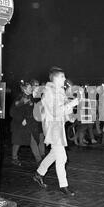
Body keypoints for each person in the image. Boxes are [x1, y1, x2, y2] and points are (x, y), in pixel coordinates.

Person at [32, 67, 79, 196]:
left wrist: (70, 113)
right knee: (62, 157)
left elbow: (63, 111)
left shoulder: (60, 91)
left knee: (54, 153)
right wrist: (71, 105)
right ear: (56, 78)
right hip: (52, 127)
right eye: (62, 77)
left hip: (58, 126)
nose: (65, 79)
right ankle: (63, 186)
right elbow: (55, 111)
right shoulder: (48, 92)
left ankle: (39, 174)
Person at [10, 82, 43, 165]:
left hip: (29, 124)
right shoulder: (20, 98)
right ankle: (14, 158)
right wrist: (21, 120)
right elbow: (12, 112)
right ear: (24, 89)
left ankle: (38, 160)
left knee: (32, 140)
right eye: (29, 88)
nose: (31, 89)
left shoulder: (30, 97)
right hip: (19, 125)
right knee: (17, 142)